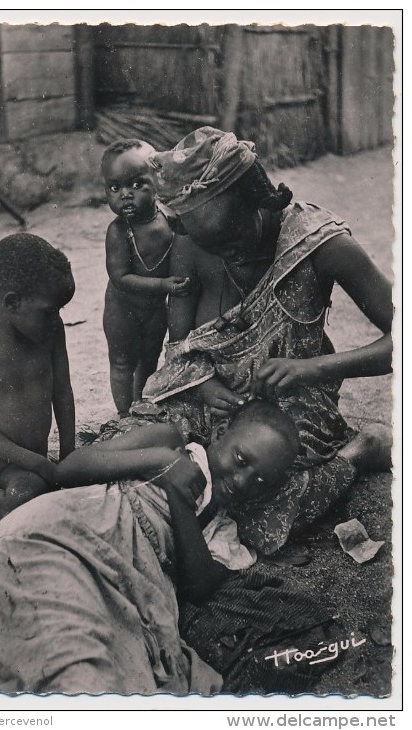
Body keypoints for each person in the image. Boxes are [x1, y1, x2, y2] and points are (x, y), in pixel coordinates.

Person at [138, 126, 393, 554]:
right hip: (210, 396)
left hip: (291, 408)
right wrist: (202, 384)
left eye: (236, 239)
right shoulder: (190, 245)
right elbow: (178, 348)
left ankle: (357, 452)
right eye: (216, 247)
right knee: (145, 449)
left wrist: (311, 368)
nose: (232, 255)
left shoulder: (319, 244)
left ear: (261, 203)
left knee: (259, 503)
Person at [0, 400, 306, 696]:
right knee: (73, 661)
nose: (243, 480)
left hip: (116, 587)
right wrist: (162, 462)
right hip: (59, 539)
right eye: (241, 459)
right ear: (219, 434)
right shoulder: (170, 443)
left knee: (109, 671)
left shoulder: (223, 531)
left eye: (262, 481)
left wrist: (178, 496)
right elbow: (67, 471)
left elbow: (199, 586)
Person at [0, 233, 76, 522]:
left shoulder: (51, 331)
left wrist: (68, 454)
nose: (56, 318)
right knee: (25, 497)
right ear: (12, 302)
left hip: (33, 460)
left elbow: (62, 391)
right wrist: (39, 464)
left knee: (45, 486)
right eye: (50, 311)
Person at [102, 139, 191, 417]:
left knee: (149, 358)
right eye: (115, 188)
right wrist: (163, 285)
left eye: (137, 185)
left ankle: (141, 404)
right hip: (122, 308)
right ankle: (123, 414)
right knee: (121, 362)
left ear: (157, 182)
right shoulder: (118, 231)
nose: (125, 195)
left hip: (154, 309)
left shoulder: (169, 218)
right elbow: (119, 277)